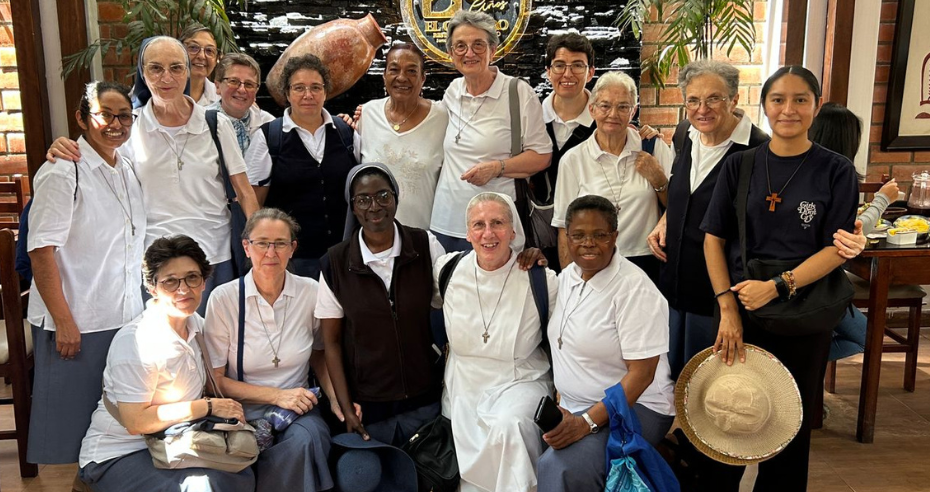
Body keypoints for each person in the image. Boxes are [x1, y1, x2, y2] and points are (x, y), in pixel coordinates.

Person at [701, 66, 859, 490]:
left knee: (789, 425)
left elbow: (836, 247)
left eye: (800, 99)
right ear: (765, 105)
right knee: (728, 416)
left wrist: (778, 286)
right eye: (778, 99)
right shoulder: (740, 165)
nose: (789, 109)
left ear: (816, 106)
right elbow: (713, 240)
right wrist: (727, 309)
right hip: (743, 309)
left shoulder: (836, 170)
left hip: (802, 312)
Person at [45, 36, 259, 313]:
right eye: (156, 68)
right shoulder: (129, 126)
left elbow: (244, 191)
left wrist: (257, 246)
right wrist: (63, 144)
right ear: (143, 74)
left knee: (217, 343)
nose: (166, 77)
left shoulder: (215, 123)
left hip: (213, 254)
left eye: (176, 68)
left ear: (187, 71)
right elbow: (94, 160)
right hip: (155, 259)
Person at [25, 81, 146, 467]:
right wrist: (64, 322)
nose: (115, 123)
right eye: (104, 114)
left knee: (110, 426)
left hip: (121, 313)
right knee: (70, 431)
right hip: (78, 317)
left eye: (124, 115)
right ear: (81, 118)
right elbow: (41, 251)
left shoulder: (125, 166)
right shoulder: (62, 171)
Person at [78, 236, 254, 491]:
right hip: (120, 453)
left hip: (180, 441)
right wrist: (207, 406)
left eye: (192, 277)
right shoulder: (137, 341)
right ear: (152, 287)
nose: (183, 289)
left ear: (204, 282)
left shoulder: (200, 327)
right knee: (202, 488)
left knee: (242, 474)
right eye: (170, 281)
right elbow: (136, 422)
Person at [538, 195, 675, 492]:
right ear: (566, 238)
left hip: (637, 407)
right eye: (578, 235)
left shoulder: (633, 289)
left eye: (600, 235)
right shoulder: (569, 277)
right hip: (578, 405)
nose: (588, 243)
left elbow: (641, 375)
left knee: (559, 467)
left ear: (614, 237)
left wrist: (586, 422)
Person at [645, 60, 770, 379]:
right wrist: (665, 220)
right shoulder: (686, 133)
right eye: (693, 100)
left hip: (720, 290)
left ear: (734, 99)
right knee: (674, 371)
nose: (702, 109)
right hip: (675, 277)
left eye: (713, 98)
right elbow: (684, 189)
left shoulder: (758, 150)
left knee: (712, 377)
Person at [205, 208, 340, 491]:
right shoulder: (225, 298)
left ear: (293, 249)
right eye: (262, 243)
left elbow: (319, 354)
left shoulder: (310, 291)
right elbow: (215, 381)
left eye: (280, 243)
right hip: (244, 413)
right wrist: (278, 396)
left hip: (298, 411)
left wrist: (337, 399)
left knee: (309, 438)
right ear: (246, 247)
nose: (271, 252)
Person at [435, 192, 556, 492]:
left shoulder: (541, 279)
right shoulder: (447, 270)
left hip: (521, 379)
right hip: (464, 388)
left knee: (509, 427)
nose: (488, 233)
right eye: (478, 224)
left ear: (513, 232)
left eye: (497, 223)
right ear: (467, 233)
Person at [317, 163, 446, 446]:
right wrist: (346, 405)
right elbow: (332, 343)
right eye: (363, 199)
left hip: (425, 399)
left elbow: (460, 294)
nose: (374, 206)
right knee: (364, 477)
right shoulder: (334, 264)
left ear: (396, 199)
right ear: (353, 207)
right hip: (369, 407)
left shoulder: (425, 245)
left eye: (383, 196)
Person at [429, 10, 552, 253]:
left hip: (495, 227)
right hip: (447, 220)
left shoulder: (517, 93)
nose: (469, 53)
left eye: (478, 45)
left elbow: (542, 155)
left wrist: (497, 168)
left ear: (493, 50)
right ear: (451, 53)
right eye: (460, 46)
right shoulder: (453, 91)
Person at [552, 71, 674, 280]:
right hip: (593, 262)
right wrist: (569, 281)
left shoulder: (653, 148)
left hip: (646, 261)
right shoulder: (573, 159)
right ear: (592, 109)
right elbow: (564, 226)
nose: (613, 114)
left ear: (633, 111)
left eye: (623, 107)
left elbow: (677, 206)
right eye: (605, 106)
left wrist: (658, 179)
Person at [246, 54, 359, 279]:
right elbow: (253, 203)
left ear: (326, 92)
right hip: (293, 261)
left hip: (344, 254)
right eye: (299, 88)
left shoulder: (346, 134)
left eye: (315, 87)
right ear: (287, 93)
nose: (308, 95)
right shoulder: (269, 138)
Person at [808, 102, 899, 362]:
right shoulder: (836, 176)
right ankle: (792, 363)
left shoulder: (809, 173)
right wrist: (882, 200)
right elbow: (848, 232)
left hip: (814, 283)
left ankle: (796, 365)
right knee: (866, 337)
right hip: (819, 285)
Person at [356, 44, 448, 230]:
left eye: (411, 71)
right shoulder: (367, 114)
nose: (402, 77)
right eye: (394, 69)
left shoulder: (443, 117)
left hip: (424, 236)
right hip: (374, 237)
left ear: (422, 78)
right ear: (384, 75)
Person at [208, 53, 275, 155]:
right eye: (234, 81)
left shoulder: (270, 125)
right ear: (217, 86)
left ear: (256, 90)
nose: (242, 90)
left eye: (249, 84)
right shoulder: (201, 121)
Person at [179, 23, 220, 106]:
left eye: (209, 50)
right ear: (178, 50)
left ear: (216, 59)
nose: (201, 56)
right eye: (193, 47)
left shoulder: (221, 97)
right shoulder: (162, 92)